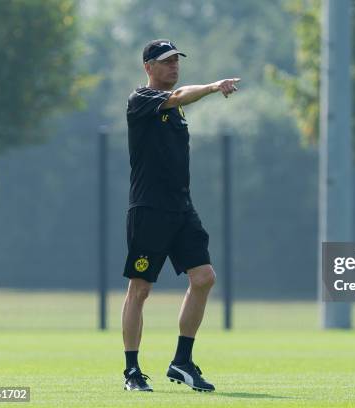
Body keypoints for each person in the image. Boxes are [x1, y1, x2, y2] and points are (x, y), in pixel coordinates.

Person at [121, 39, 240, 392]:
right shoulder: (140, 99)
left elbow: (181, 95)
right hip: (149, 210)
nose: (174, 66)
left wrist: (210, 87)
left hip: (181, 209)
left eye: (176, 61)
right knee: (140, 289)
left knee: (204, 278)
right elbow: (179, 95)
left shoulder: (176, 107)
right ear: (148, 67)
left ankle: (182, 362)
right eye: (166, 61)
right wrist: (214, 88)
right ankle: (132, 371)